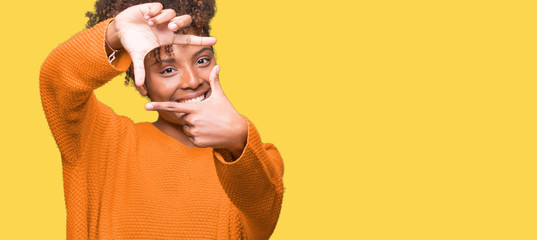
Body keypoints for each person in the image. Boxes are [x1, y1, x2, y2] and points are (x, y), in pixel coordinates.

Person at [39, 0, 284, 239]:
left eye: (202, 61)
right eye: (167, 69)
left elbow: (261, 218)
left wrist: (239, 139)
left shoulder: (253, 157)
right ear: (141, 81)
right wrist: (115, 33)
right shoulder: (102, 142)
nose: (192, 80)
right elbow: (56, 81)